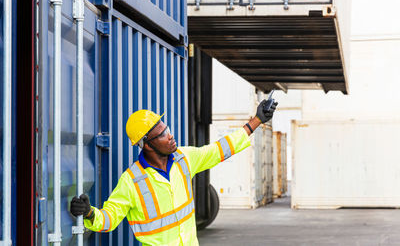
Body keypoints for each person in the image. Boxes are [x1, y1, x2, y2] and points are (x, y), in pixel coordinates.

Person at [70, 99, 278, 245]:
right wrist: (89, 213)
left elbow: (218, 150)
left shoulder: (184, 159)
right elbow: (110, 218)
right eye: (162, 134)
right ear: (147, 145)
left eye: (167, 129)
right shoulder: (131, 181)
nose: (170, 136)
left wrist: (257, 120)